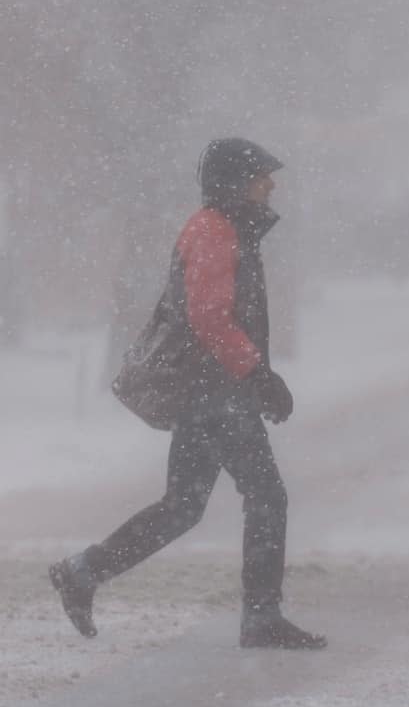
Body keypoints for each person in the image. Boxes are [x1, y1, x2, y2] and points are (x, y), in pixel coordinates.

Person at [49, 138, 326, 650]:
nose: (272, 184)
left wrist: (254, 376)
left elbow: (214, 317)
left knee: (183, 506)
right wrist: (258, 375)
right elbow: (207, 316)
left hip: (212, 388)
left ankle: (83, 572)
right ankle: (261, 616)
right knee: (265, 496)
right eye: (262, 175)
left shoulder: (224, 228)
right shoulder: (214, 231)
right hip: (214, 391)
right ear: (236, 182)